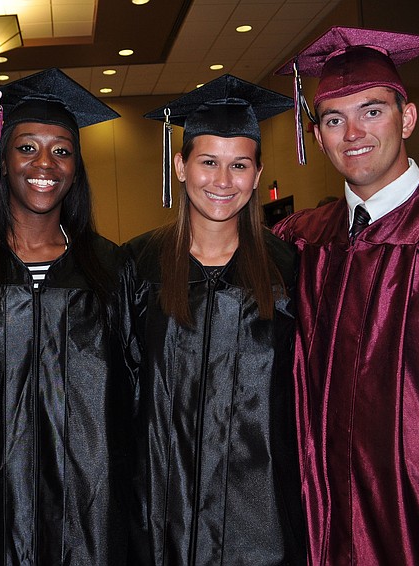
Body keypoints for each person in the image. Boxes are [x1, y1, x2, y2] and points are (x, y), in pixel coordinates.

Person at [274, 27, 419, 565]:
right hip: (324, 518)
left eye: (372, 111)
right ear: (318, 137)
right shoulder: (300, 242)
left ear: (407, 118)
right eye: (333, 120)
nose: (353, 133)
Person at [0, 68, 130, 565]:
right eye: (27, 148)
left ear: (77, 167)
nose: (45, 163)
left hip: (93, 520)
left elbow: (137, 395)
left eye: (62, 150)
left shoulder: (112, 269)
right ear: (2, 160)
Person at [120, 74, 305, 565]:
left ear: (258, 172)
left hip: (262, 519)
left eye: (239, 165)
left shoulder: (292, 270)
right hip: (160, 515)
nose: (223, 182)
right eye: (208, 162)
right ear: (180, 167)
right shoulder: (136, 267)